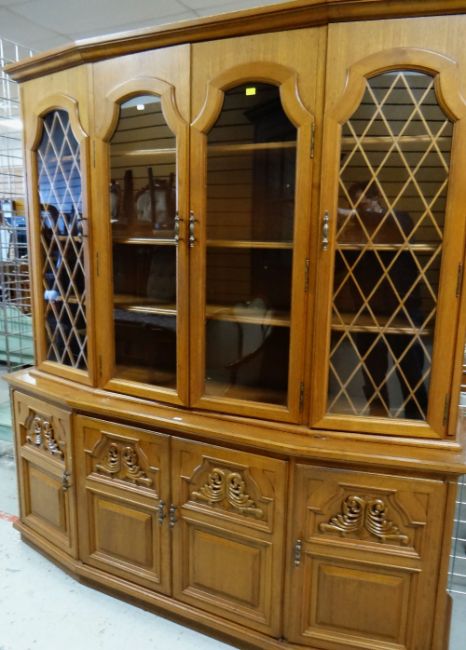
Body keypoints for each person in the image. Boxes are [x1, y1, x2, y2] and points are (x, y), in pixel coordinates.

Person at [335, 181, 428, 419]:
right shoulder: (356, 232)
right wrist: (340, 236)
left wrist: (353, 215)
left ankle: (417, 424)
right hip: (368, 312)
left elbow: (394, 226)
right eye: (357, 206)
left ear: (378, 200)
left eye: (365, 205)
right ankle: (378, 421)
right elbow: (337, 266)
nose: (362, 212)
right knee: (373, 376)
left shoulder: (399, 220)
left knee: (411, 373)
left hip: (403, 311)